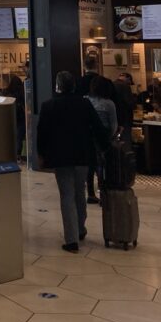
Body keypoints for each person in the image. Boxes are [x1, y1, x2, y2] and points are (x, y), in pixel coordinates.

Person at [36, 71, 110, 253]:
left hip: (61, 157)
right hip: (82, 155)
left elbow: (42, 133)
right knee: (79, 192)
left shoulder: (49, 106)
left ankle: (71, 239)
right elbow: (98, 127)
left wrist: (41, 154)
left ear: (58, 86)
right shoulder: (84, 104)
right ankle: (80, 228)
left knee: (67, 195)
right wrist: (106, 147)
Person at [85, 75, 119, 203]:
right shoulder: (109, 104)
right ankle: (103, 192)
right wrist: (110, 136)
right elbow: (113, 124)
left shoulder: (86, 100)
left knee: (90, 165)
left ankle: (90, 193)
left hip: (88, 136)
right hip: (103, 136)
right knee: (102, 165)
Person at [4, 74, 26, 159]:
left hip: (10, 118)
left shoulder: (6, 93)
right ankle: (17, 155)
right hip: (20, 118)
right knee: (19, 137)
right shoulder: (21, 94)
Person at [114, 73, 136, 137]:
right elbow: (129, 102)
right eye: (129, 82)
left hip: (115, 117)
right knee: (126, 139)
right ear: (128, 79)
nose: (129, 84)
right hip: (125, 117)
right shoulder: (125, 86)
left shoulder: (112, 83)